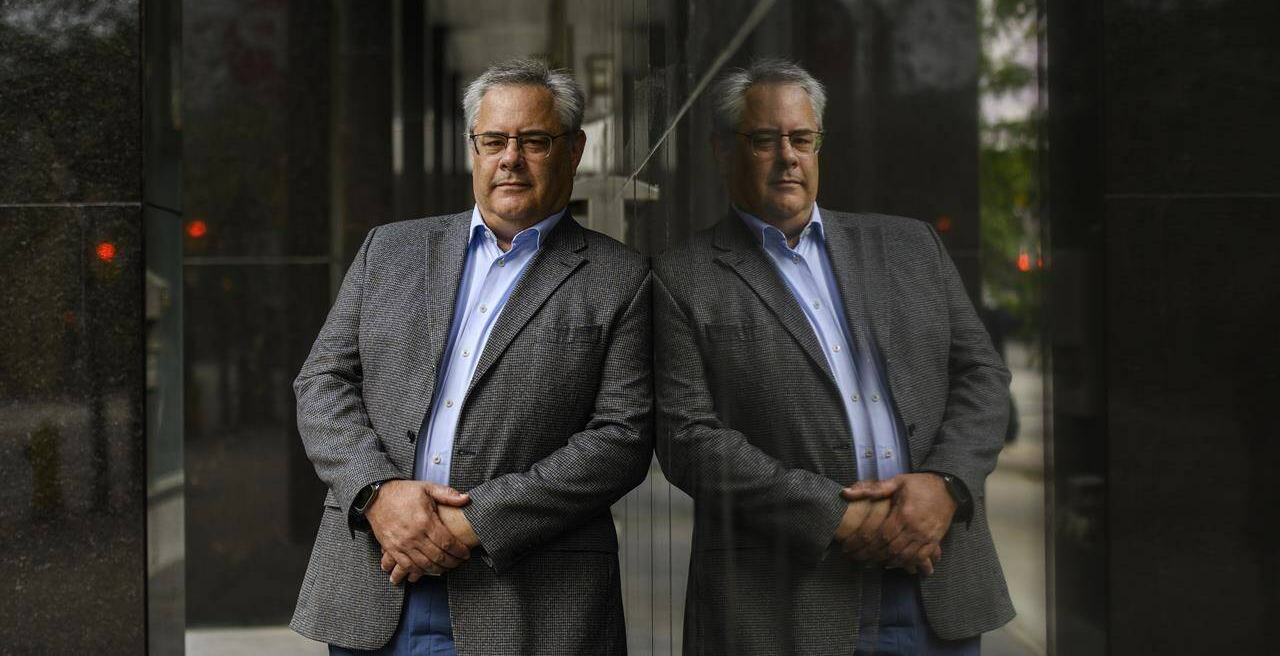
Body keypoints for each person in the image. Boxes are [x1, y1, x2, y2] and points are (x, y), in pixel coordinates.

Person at [291, 59, 653, 655]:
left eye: (534, 141)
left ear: (574, 148)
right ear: (473, 148)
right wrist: (376, 493)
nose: (510, 158)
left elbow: (622, 438)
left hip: (530, 597)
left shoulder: (622, 278)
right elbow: (323, 380)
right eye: (493, 141)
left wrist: (474, 522)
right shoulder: (392, 248)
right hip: (375, 581)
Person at [654, 59, 1014, 654]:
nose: (787, 156)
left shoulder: (908, 244)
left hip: (932, 577)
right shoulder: (680, 277)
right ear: (723, 148)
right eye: (764, 140)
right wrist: (836, 517)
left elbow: (982, 373)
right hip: (785, 598)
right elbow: (688, 439)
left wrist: (945, 484)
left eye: (801, 138)